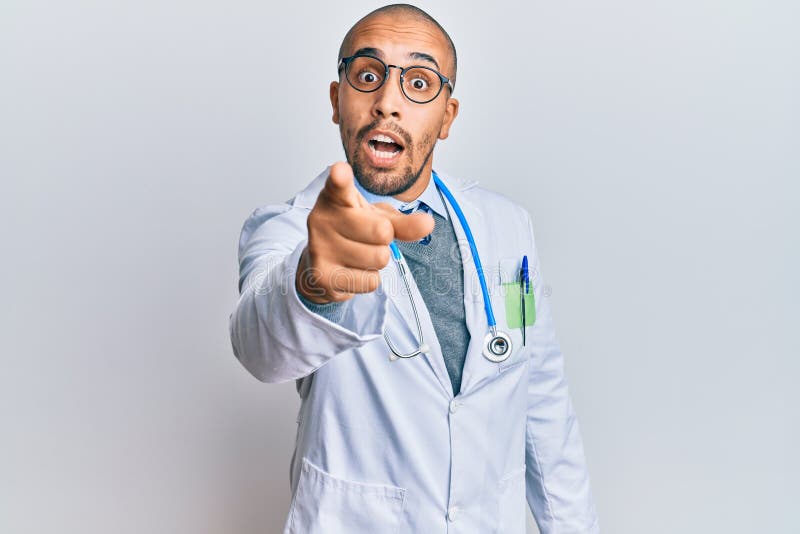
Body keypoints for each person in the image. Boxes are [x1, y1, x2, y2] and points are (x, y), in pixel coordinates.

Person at [229, 4, 599, 533]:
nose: (387, 105)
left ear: (447, 116)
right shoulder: (291, 230)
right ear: (337, 101)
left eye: (419, 82)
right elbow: (259, 347)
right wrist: (313, 281)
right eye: (367, 75)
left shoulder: (508, 227)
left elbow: (541, 400)